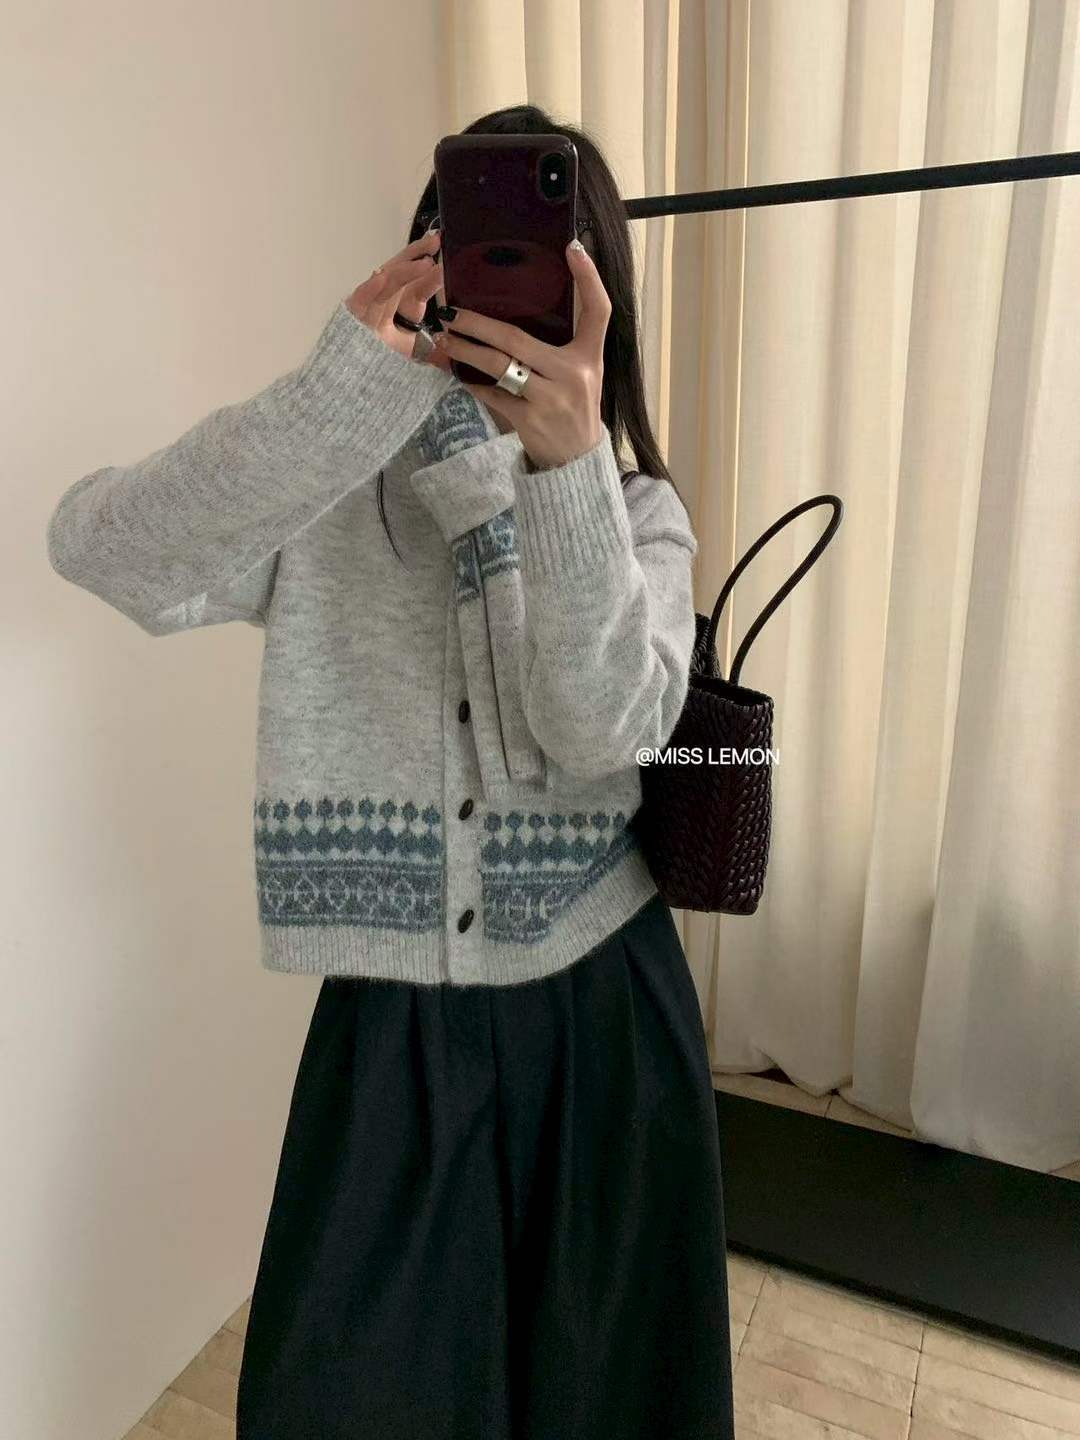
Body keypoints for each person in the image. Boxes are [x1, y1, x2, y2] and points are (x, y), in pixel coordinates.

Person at [46, 101, 734, 1440]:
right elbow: (101, 549)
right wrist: (339, 393)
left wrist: (567, 471)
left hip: (603, 1027)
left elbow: (605, 730)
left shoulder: (637, 512)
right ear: (429, 261)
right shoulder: (334, 500)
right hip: (390, 1039)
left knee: (605, 1401)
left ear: (596, 308)